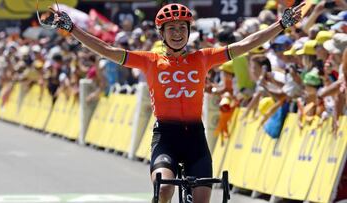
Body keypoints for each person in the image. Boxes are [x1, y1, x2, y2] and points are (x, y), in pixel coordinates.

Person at [45, 2, 304, 202]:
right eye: (172, 28)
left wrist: (281, 24)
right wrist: (72, 29)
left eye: (182, 28)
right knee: (165, 189)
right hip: (166, 138)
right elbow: (108, 51)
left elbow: (246, 44)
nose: (178, 33)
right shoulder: (149, 61)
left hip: (195, 138)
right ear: (162, 33)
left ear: (189, 31)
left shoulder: (203, 58)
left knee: (203, 199)